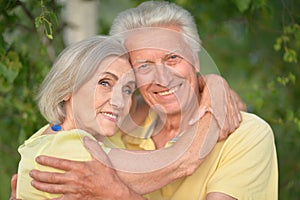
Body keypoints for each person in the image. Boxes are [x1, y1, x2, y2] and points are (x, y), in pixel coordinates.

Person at [15, 1, 276, 200]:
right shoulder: (100, 137)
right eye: (144, 65)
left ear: (195, 61)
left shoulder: (247, 135)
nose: (162, 77)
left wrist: (215, 86)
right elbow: (182, 159)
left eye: (172, 58)